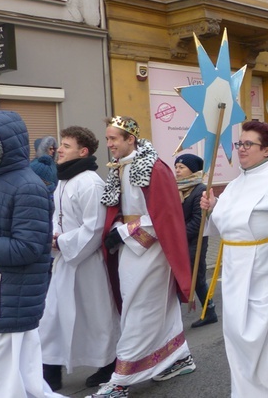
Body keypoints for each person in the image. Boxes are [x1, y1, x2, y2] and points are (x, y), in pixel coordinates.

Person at [199, 121, 268, 396]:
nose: (241, 149)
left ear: (267, 150)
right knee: (238, 342)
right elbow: (228, 224)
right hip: (236, 273)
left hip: (266, 277)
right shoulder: (236, 183)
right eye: (239, 143)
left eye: (248, 144)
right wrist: (213, 208)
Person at [94, 116, 195, 398]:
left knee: (140, 309)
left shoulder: (155, 168)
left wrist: (125, 231)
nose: (109, 144)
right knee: (152, 307)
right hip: (131, 247)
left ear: (131, 139)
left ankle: (121, 380)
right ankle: (179, 357)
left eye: (114, 138)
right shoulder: (118, 168)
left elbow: (164, 216)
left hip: (151, 250)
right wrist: (117, 230)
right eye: (107, 139)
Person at [0, 111, 61, 398]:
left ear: (1, 144)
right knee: (22, 387)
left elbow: (28, 248)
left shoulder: (28, 187)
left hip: (7, 304)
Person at [40, 126, 120, 392]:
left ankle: (108, 364)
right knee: (52, 316)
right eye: (60, 145)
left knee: (95, 316)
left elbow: (95, 228)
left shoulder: (90, 182)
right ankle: (50, 370)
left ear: (82, 152)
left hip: (86, 263)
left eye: (66, 145)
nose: (59, 150)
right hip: (65, 260)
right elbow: (57, 217)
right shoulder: (63, 180)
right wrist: (53, 237)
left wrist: (61, 242)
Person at [174, 153, 218, 327]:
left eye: (181, 167)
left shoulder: (200, 190)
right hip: (178, 242)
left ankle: (209, 312)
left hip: (194, 243)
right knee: (180, 278)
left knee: (195, 278)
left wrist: (176, 236)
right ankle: (176, 320)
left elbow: (198, 222)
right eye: (176, 166)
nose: (177, 170)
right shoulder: (175, 188)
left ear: (192, 170)